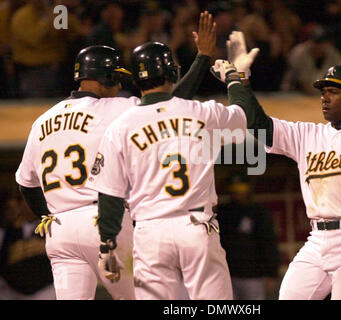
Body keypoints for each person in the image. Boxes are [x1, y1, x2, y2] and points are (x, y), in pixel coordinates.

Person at [15, 11, 218, 299]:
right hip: (102, 221)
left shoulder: (42, 121)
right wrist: (202, 58)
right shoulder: (117, 109)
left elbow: (26, 183)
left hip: (59, 231)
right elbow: (173, 106)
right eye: (117, 79)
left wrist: (47, 214)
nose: (121, 85)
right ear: (106, 76)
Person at [226, 32, 341, 300]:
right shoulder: (307, 135)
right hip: (317, 240)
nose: (324, 98)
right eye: (323, 92)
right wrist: (241, 79)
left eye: (333, 92)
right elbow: (258, 124)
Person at [85, 40, 259, 299]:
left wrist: (107, 244)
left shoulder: (120, 127)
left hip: (149, 231)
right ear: (173, 73)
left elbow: (109, 195)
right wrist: (235, 77)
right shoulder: (201, 112)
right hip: (196, 226)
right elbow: (247, 115)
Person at [217, 172, 280, 300]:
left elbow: (269, 244)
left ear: (248, 189)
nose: (238, 193)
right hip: (228, 275)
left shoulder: (259, 213)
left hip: (254, 275)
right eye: (235, 190)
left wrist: (271, 274)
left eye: (241, 189)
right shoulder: (223, 212)